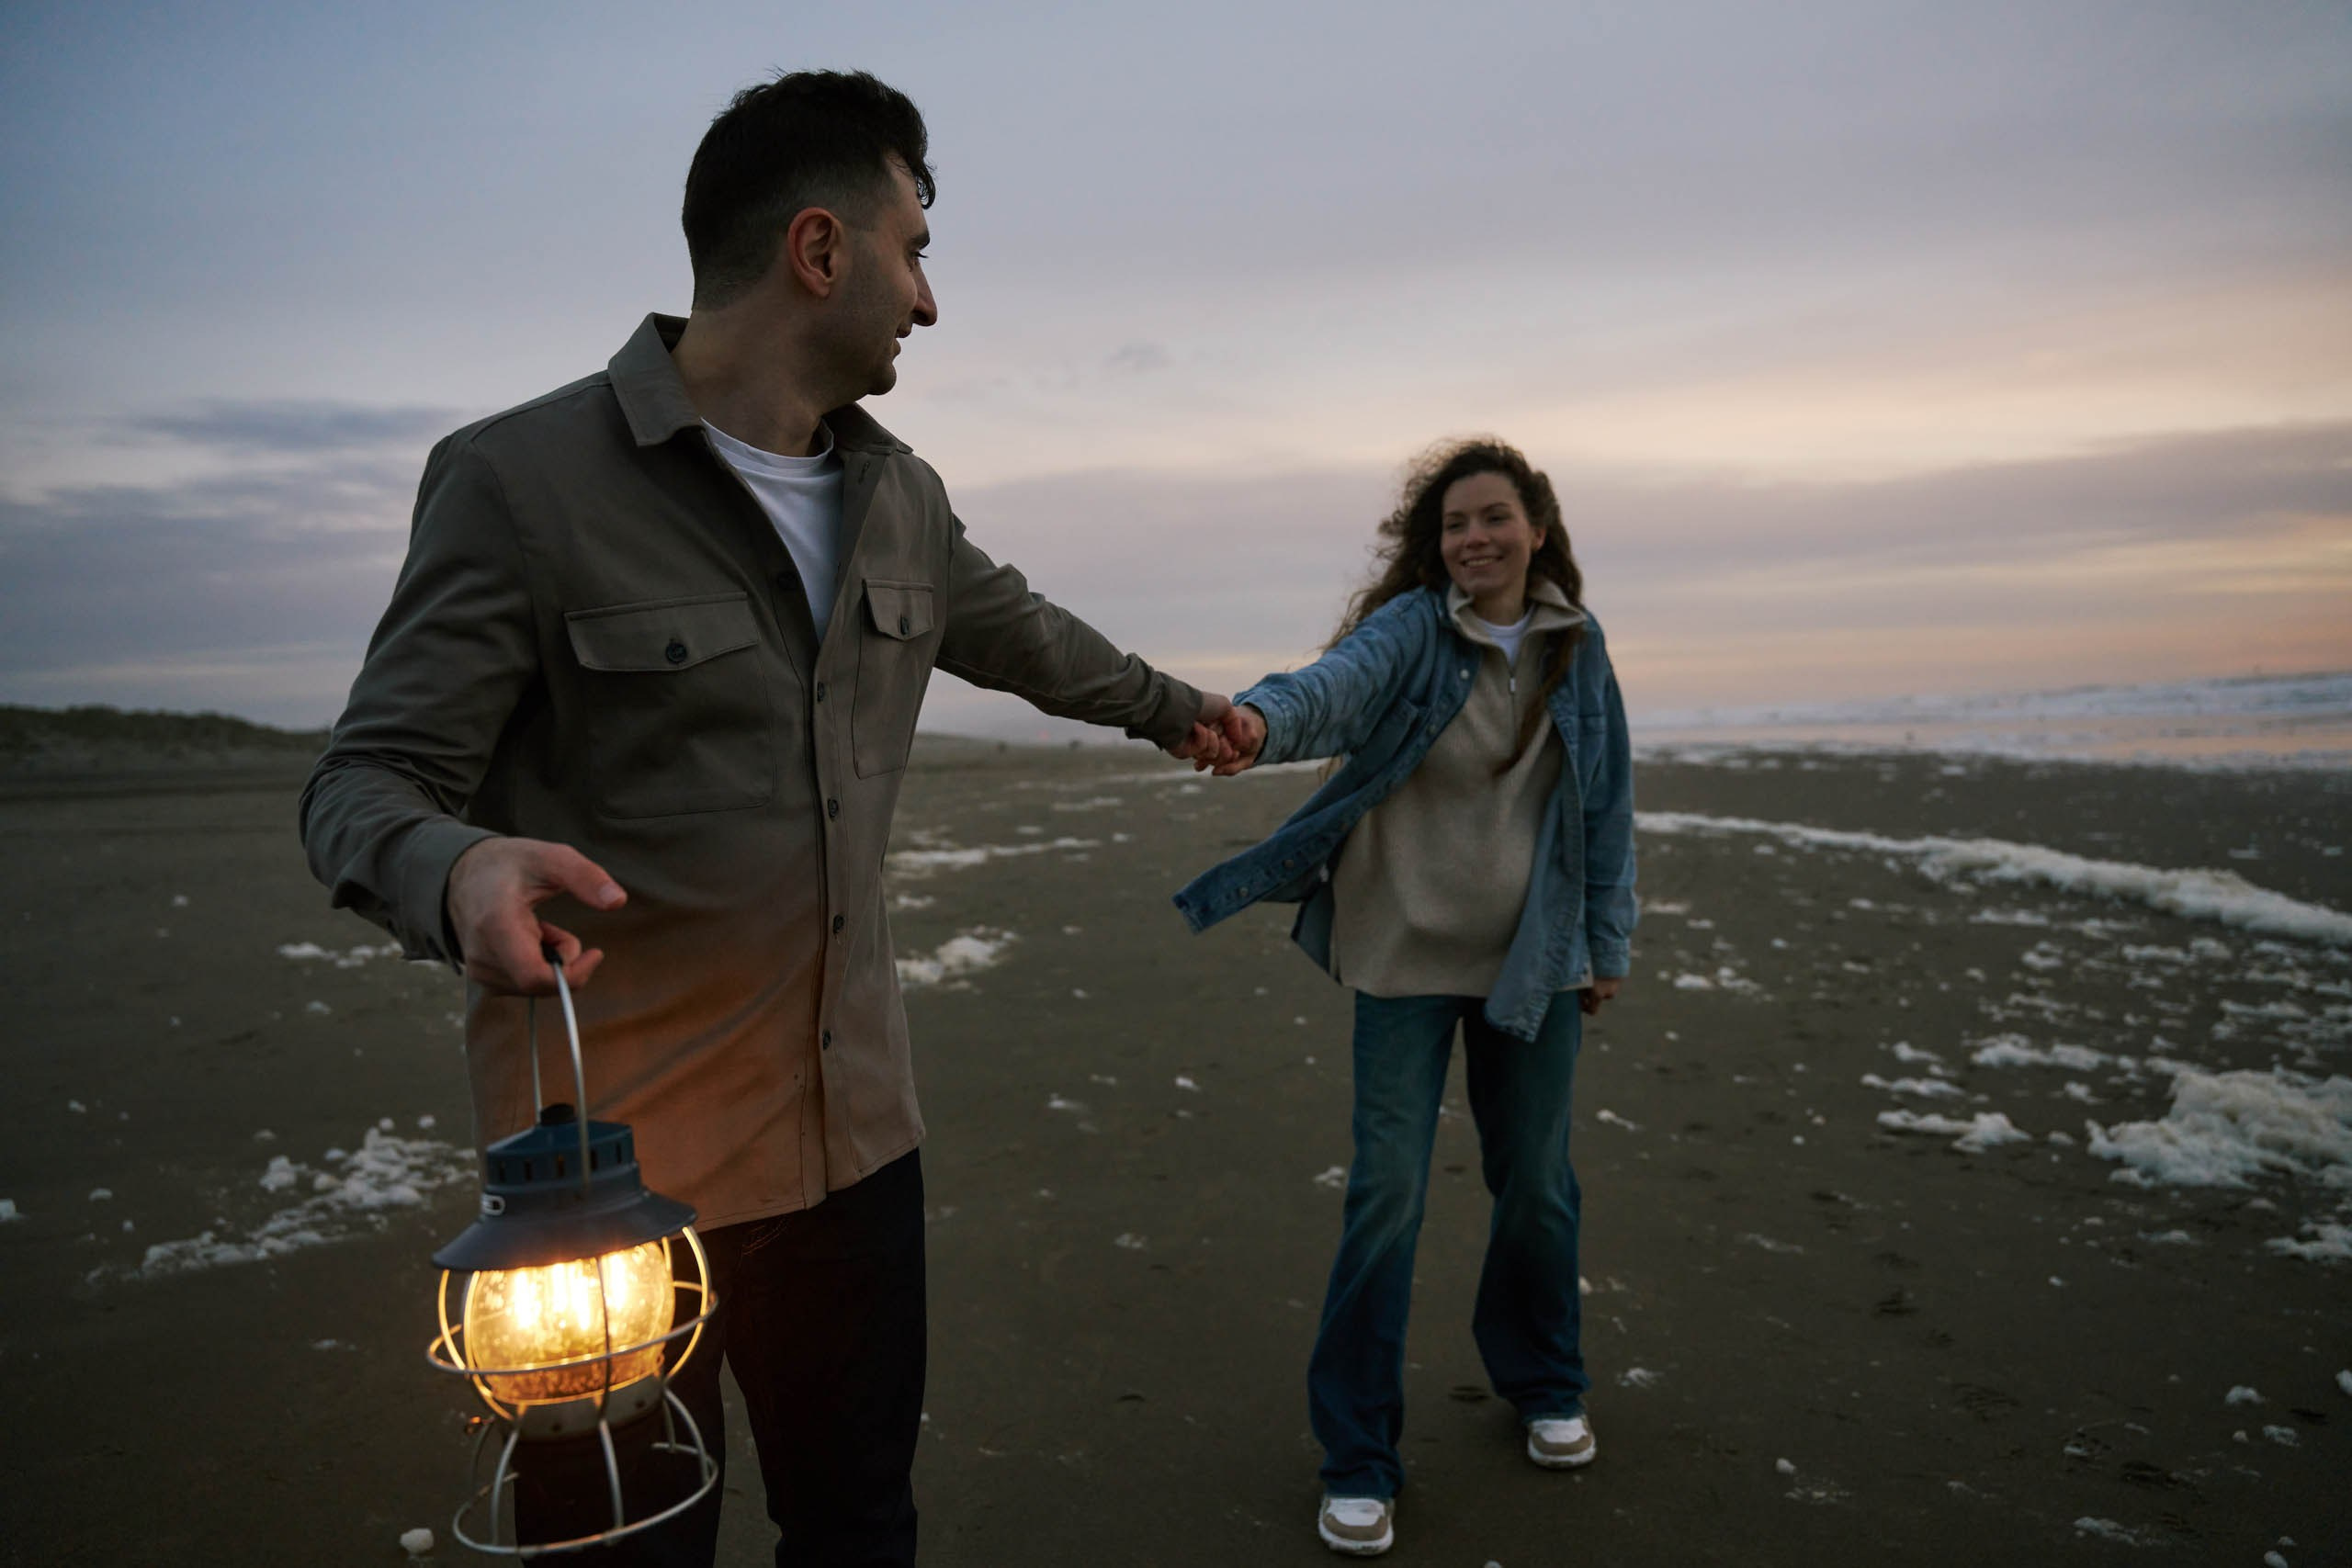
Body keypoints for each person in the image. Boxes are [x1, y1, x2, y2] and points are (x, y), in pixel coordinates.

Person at [300, 70, 1238, 1567]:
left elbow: (1031, 638)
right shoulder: (519, 484)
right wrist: (458, 862)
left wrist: (1186, 708)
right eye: (914, 250)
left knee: (859, 1527)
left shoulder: (898, 498)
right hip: (605, 1184)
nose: (928, 302)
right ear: (820, 250)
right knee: (623, 1548)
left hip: (855, 1147)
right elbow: (362, 783)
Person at [1172, 437, 1636, 1557]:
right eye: (1452, 526)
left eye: (1492, 518)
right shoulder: (1413, 633)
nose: (1472, 540)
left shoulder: (1578, 649)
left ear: (1536, 526)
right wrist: (1254, 723)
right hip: (1399, 958)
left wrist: (1604, 942)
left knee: (1537, 1185)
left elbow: (1608, 804)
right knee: (1386, 1194)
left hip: (1529, 961)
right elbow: (1330, 693)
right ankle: (1359, 1455)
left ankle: (1543, 1381)